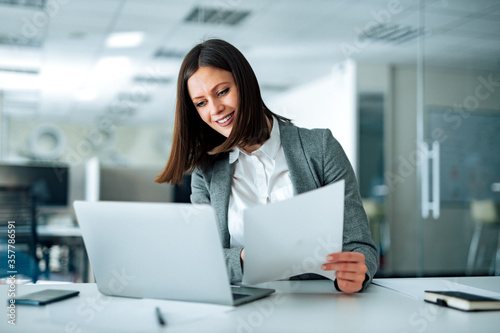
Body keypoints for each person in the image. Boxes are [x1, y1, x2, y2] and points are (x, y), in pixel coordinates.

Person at [156, 39, 378, 293]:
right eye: (201, 103)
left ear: (245, 84)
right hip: (241, 307)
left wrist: (358, 272)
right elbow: (204, 258)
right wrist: (244, 258)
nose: (215, 109)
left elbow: (360, 245)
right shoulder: (206, 171)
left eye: (222, 91)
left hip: (316, 306)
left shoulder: (321, 148)